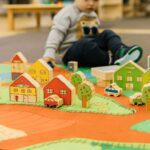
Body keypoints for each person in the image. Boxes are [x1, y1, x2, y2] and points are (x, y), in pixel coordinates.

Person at [43, 0, 143, 67]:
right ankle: (112, 60)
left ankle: (121, 51)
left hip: (90, 46)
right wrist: (49, 52)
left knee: (107, 33)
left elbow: (96, 35)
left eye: (95, 0)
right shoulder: (66, 13)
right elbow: (56, 33)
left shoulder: (93, 14)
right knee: (86, 44)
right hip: (71, 52)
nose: (91, 3)